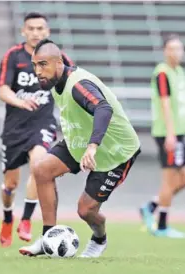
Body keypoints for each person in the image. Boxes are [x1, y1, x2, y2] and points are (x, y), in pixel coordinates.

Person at [19, 39, 141, 258]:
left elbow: (103, 108)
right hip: (80, 142)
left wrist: (92, 147)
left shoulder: (78, 84)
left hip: (115, 152)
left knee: (86, 211)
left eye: (43, 64)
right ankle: (49, 239)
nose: (38, 71)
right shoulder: (55, 84)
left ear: (58, 63)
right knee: (41, 170)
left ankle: (99, 239)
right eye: (35, 65)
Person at [0, 13, 74, 247]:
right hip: (14, 127)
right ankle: (8, 217)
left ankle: (27, 219)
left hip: (42, 123)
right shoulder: (13, 56)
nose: (36, 32)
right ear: (23, 32)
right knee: (10, 184)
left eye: (40, 28)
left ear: (47, 32)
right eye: (31, 28)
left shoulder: (59, 58)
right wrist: (20, 102)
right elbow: (3, 90)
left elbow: (73, 84)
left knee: (39, 165)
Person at [140, 34, 185, 238]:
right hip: (169, 133)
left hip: (180, 132)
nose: (176, 52)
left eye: (179, 48)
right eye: (172, 48)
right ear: (165, 51)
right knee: (170, 179)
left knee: (182, 178)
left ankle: (151, 206)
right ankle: (163, 225)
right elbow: (165, 104)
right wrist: (170, 134)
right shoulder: (162, 73)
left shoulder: (180, 72)